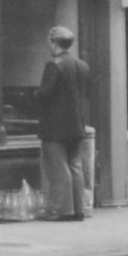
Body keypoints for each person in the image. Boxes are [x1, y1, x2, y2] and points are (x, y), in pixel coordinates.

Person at [37, 24, 91, 220]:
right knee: (75, 166)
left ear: (53, 42)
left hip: (55, 127)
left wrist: (35, 95)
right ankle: (79, 210)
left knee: (59, 168)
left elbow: (45, 94)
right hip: (76, 125)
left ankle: (62, 210)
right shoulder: (82, 66)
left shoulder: (54, 64)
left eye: (49, 42)